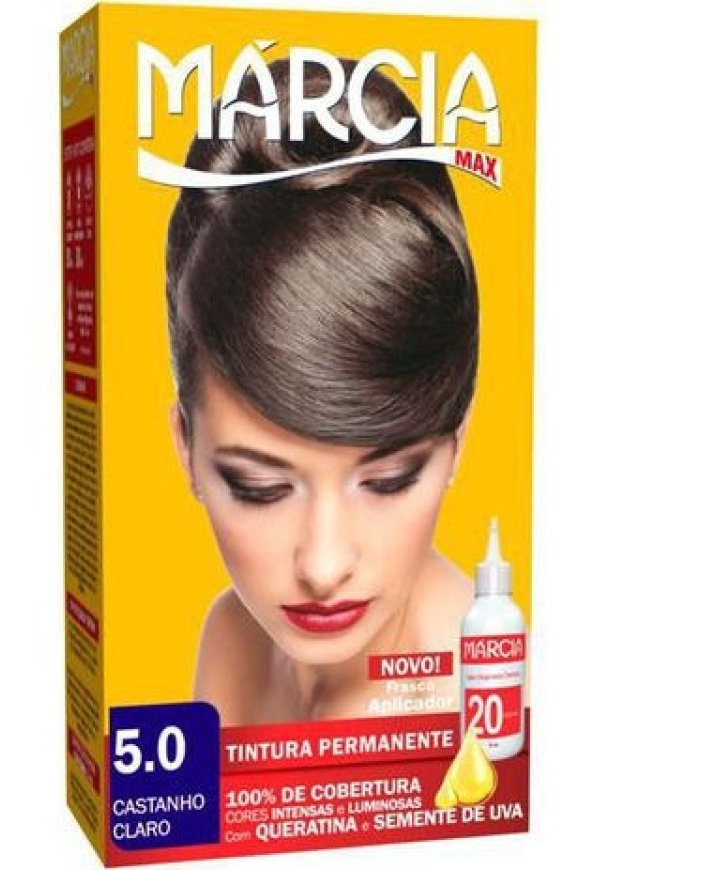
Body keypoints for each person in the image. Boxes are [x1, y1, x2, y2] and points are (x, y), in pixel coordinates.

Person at [166, 59, 480, 725]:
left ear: (459, 439)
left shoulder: (477, 703)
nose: (325, 565)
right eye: (260, 487)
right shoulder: (234, 635)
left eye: (390, 479)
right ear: (185, 447)